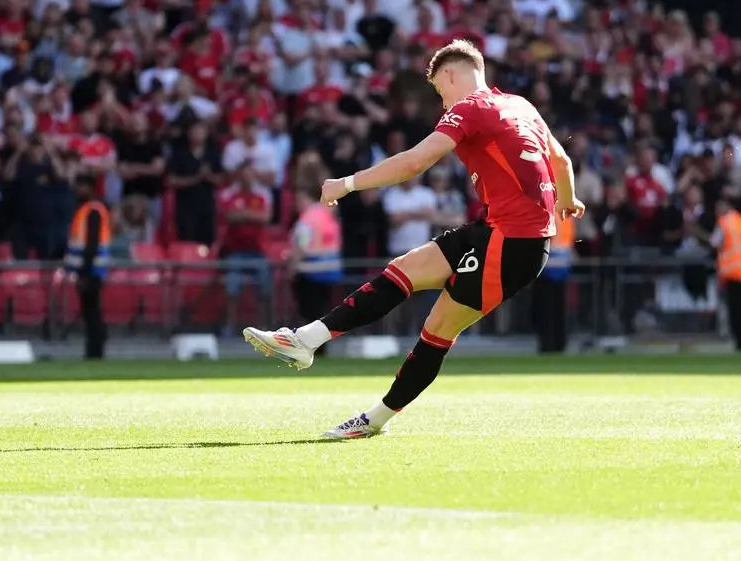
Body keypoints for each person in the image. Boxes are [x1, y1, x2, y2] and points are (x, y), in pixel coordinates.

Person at [243, 40, 585, 439]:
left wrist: (348, 183)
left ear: (452, 74)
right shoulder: (520, 105)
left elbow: (415, 162)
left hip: (511, 244)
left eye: (441, 92)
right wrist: (568, 198)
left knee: (438, 327)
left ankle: (374, 419)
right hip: (499, 229)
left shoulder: (468, 108)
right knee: (403, 270)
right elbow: (562, 160)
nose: (443, 104)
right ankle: (305, 340)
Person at [65, 176, 110, 359]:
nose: (77, 190)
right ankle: (93, 349)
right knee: (90, 312)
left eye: (81, 186)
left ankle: (95, 351)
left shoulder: (93, 210)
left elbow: (91, 244)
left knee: (92, 313)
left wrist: (84, 272)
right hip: (89, 270)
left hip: (91, 271)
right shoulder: (87, 210)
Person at [289, 185, 342, 325]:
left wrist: (292, 269)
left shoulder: (307, 219)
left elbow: (301, 245)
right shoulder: (327, 214)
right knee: (324, 312)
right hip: (331, 270)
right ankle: (322, 345)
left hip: (311, 272)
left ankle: (313, 345)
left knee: (311, 315)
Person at [713, 195, 741, 351]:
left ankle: (740, 344)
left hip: (731, 273)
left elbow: (714, 242)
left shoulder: (724, 223)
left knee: (736, 313)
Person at [532, 211, 575, 353]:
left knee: (547, 308)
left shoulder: (550, 212)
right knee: (558, 307)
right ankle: (558, 342)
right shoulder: (565, 213)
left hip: (549, 263)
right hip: (561, 263)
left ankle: (549, 343)